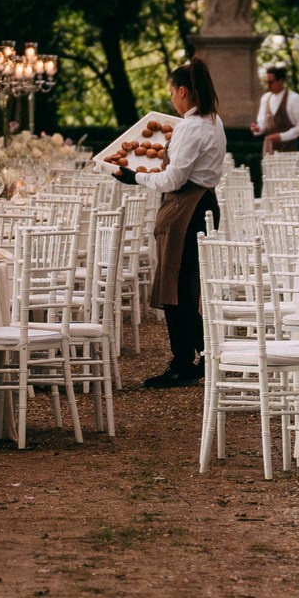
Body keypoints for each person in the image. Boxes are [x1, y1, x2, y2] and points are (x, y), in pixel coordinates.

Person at [121, 60, 226, 387]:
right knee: (185, 286)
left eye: (172, 92)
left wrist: (135, 176)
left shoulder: (191, 126)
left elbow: (175, 177)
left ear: (183, 90)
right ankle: (203, 355)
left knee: (175, 289)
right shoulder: (213, 120)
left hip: (187, 207)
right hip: (203, 202)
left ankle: (187, 361)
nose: (171, 99)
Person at [254, 64, 299, 151]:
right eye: (266, 82)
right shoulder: (265, 98)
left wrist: (282, 136)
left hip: (288, 148)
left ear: (280, 81)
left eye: (271, 82)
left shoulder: (294, 99)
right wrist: (258, 128)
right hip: (269, 148)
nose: (268, 85)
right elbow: (263, 124)